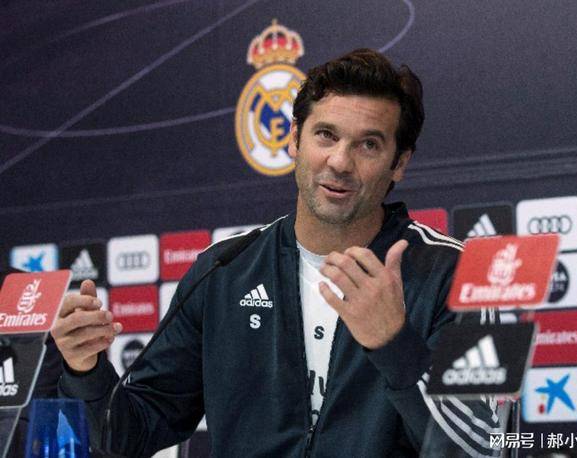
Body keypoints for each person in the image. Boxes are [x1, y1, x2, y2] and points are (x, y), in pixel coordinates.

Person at [53, 49, 501, 457]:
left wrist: (393, 344)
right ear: (294, 140)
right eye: (325, 135)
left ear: (399, 162)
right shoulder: (224, 271)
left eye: (368, 144)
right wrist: (85, 369)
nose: (340, 162)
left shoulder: (456, 275)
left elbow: (483, 447)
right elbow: (126, 436)